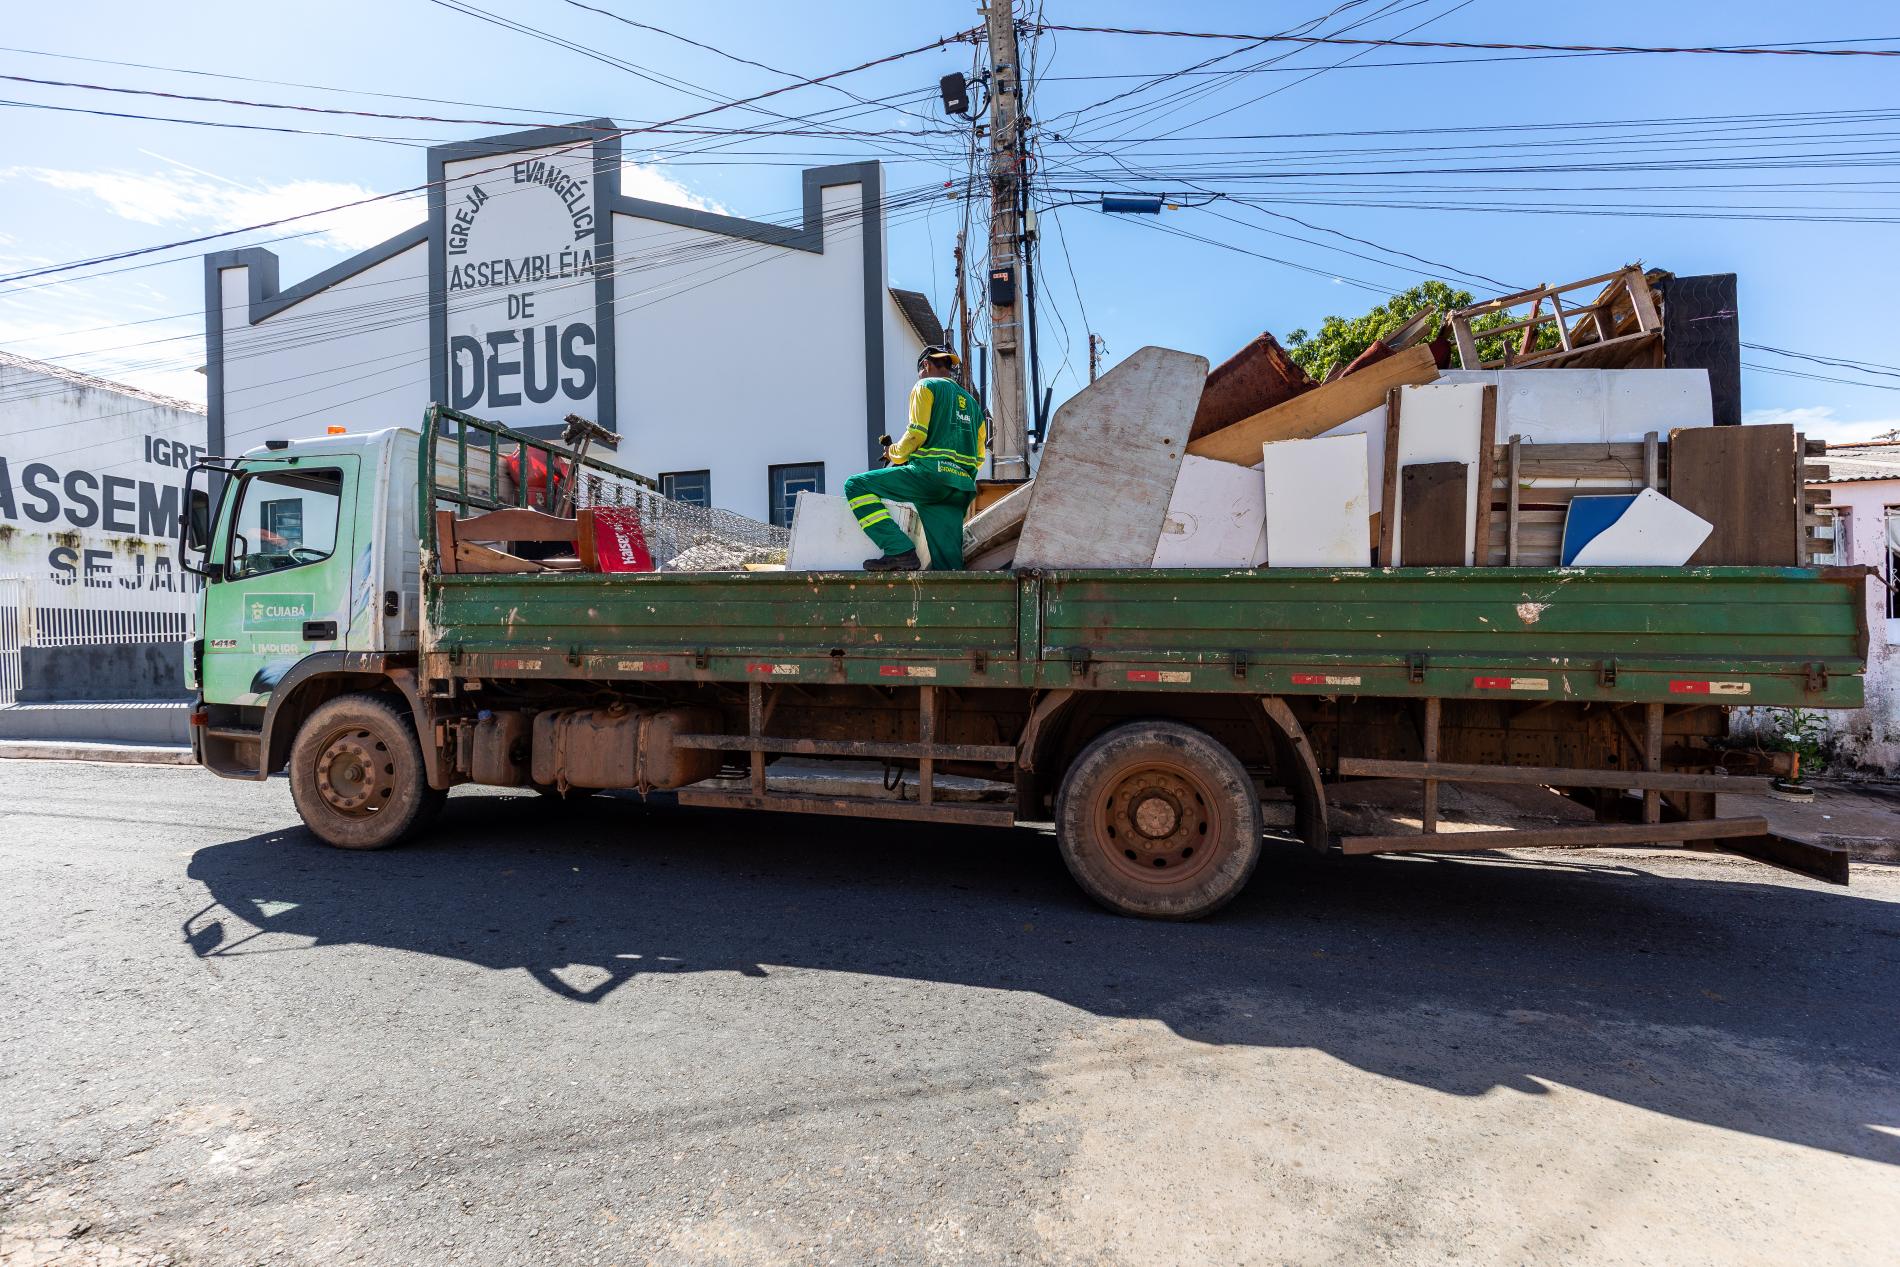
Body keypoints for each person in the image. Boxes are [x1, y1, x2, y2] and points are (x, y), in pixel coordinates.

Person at [844, 346, 988, 571]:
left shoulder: (925, 386)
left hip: (929, 477)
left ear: (925, 366)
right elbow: (980, 457)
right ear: (948, 369)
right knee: (949, 568)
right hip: (960, 488)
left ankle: (898, 549)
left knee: (856, 485)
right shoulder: (973, 405)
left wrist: (893, 453)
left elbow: (916, 434)